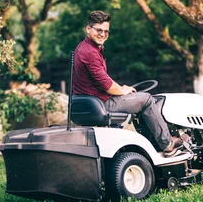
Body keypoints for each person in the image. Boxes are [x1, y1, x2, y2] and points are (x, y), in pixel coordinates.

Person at [72, 10, 183, 156]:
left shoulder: (86, 48)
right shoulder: (90, 53)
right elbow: (107, 86)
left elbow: (101, 77)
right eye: (99, 30)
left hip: (91, 102)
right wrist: (121, 90)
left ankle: (152, 143)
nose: (103, 34)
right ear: (88, 29)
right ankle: (167, 143)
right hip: (100, 103)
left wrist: (122, 88)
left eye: (106, 31)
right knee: (147, 99)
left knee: (137, 99)